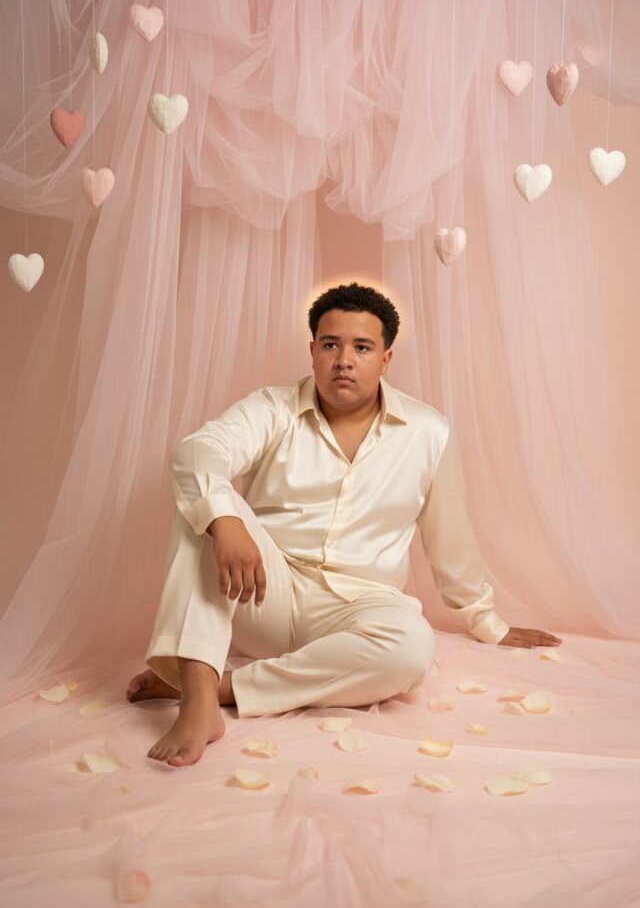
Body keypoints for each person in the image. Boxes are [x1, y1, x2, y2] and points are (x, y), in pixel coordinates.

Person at [126, 282, 562, 767]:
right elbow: (197, 452)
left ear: (386, 359)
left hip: (359, 605)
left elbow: (449, 539)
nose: (344, 361)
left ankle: (216, 687)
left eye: (362, 348)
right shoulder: (272, 408)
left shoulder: (428, 432)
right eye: (331, 345)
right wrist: (225, 520)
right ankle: (197, 701)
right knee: (203, 506)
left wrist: (486, 621)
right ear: (313, 351)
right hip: (261, 592)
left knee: (411, 648)